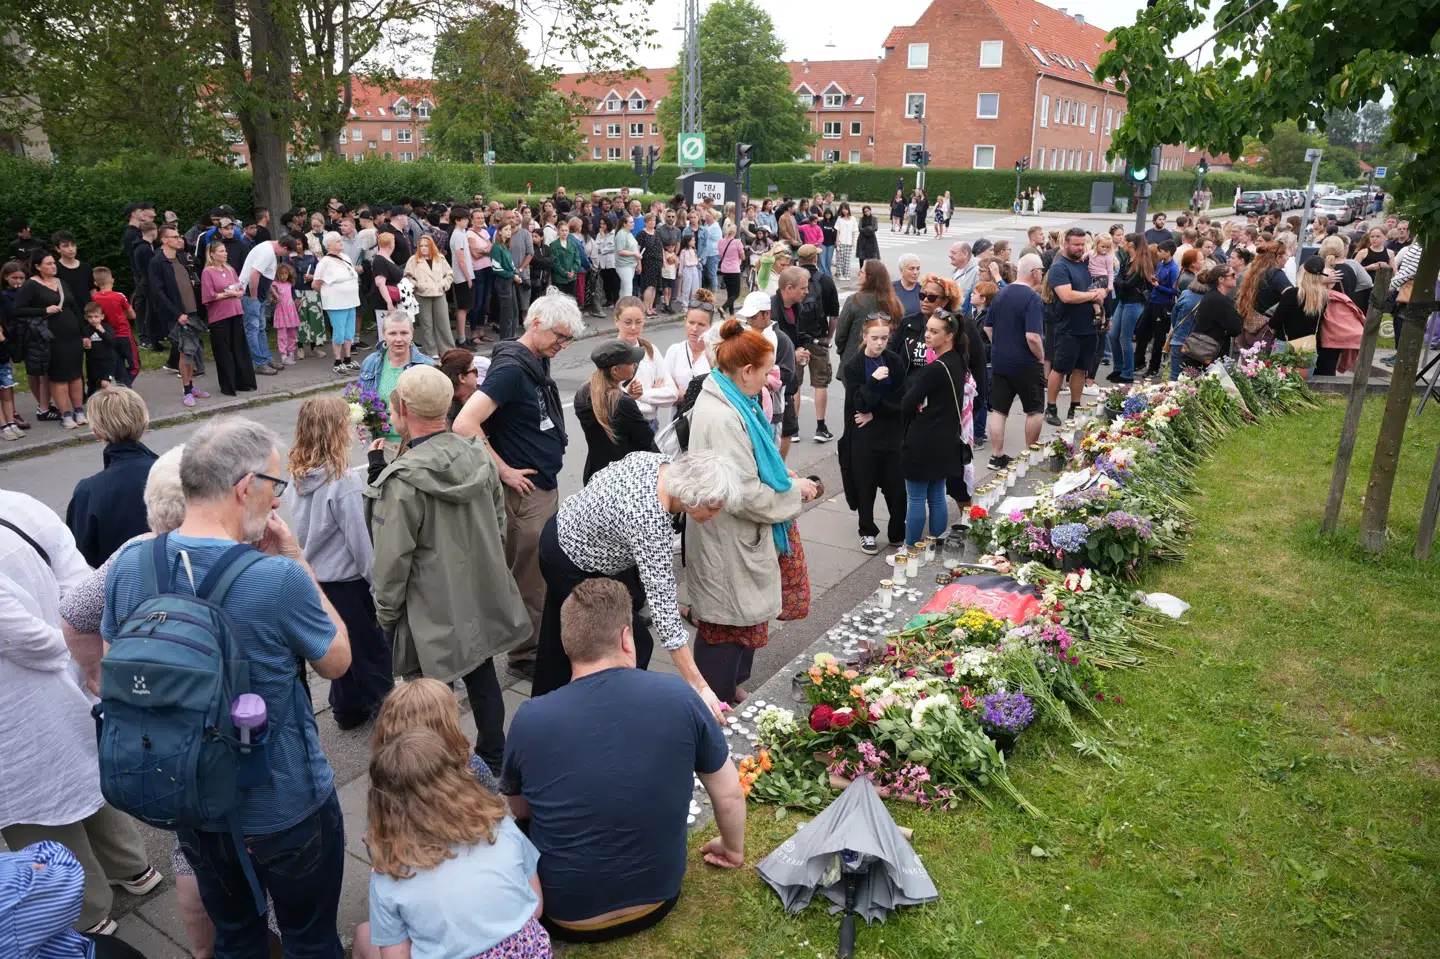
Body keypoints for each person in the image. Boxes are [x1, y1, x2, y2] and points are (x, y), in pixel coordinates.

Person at [102, 417, 353, 953]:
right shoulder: (275, 577)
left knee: (236, 938)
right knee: (310, 939)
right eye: (275, 485)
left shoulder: (129, 567)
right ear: (245, 488)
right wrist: (297, 560)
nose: (278, 500)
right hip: (286, 803)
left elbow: (111, 672)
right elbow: (337, 661)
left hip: (190, 797)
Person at [502, 578, 747, 944]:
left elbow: (521, 810)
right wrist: (732, 849)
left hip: (567, 914)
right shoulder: (679, 696)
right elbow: (729, 795)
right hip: (659, 897)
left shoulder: (530, 718)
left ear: (566, 645)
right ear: (626, 639)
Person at [2, 488, 163, 937]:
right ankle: (132, 866)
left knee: (37, 811)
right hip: (70, 676)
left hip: (14, 710)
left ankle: (87, 909)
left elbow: (24, 638)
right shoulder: (21, 505)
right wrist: (79, 649)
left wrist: (63, 648)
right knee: (88, 772)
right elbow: (81, 584)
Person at [367, 365, 530, 776]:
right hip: (477, 590)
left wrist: (385, 616)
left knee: (428, 697)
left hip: (429, 608)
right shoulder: (477, 454)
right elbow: (498, 526)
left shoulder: (402, 481)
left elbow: (391, 563)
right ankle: (494, 757)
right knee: (481, 671)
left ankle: (438, 772)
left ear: (404, 410)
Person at [533, 448, 739, 709]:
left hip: (562, 532)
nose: (715, 516)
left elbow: (600, 477)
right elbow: (665, 613)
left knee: (557, 636)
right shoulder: (649, 518)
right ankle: (607, 713)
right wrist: (700, 686)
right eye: (713, 508)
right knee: (633, 645)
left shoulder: (661, 464)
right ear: (692, 496)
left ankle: (542, 707)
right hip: (569, 561)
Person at [685, 319, 817, 703]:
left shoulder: (732, 399)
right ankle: (715, 706)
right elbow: (743, 494)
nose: (771, 378)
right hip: (728, 539)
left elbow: (754, 465)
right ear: (746, 371)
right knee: (725, 628)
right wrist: (795, 493)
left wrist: (782, 478)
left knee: (739, 623)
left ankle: (728, 690)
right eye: (766, 371)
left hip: (734, 538)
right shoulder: (723, 416)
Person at [453, 293, 584, 679]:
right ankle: (526, 654)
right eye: (560, 336)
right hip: (525, 494)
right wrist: (504, 470)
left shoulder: (535, 357)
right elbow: (464, 424)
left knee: (539, 572)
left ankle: (536, 644)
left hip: (541, 485)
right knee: (530, 577)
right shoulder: (512, 369)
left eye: (568, 340)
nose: (563, 345)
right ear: (537, 324)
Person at [353, 728, 549, 959]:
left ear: (382, 803)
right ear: (457, 776)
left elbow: (396, 956)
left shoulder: (390, 873)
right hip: (530, 952)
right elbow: (536, 906)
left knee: (363, 934)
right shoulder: (498, 824)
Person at [286, 395, 390, 731]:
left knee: (338, 646)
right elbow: (360, 544)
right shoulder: (343, 482)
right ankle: (389, 715)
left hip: (318, 579)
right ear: (337, 430)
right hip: (349, 583)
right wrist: (377, 587)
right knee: (371, 651)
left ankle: (346, 709)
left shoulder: (297, 476)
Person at [64, 387, 156, 566]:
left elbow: (80, 553)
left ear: (96, 432)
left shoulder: (89, 491)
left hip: (120, 578)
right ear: (144, 421)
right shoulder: (173, 471)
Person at [900, 308, 969, 546]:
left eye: (934, 331)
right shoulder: (958, 360)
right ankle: (937, 546)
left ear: (949, 336)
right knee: (937, 496)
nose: (927, 335)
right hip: (946, 439)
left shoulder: (934, 369)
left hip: (923, 440)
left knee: (916, 499)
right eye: (927, 330)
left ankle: (911, 549)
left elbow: (907, 404)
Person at [839, 316, 907, 553]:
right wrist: (874, 382)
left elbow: (901, 401)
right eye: (875, 338)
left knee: (896, 488)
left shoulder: (895, 362)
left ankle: (897, 532)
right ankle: (866, 531)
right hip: (863, 437)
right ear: (865, 337)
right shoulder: (853, 366)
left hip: (890, 434)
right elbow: (858, 403)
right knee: (864, 486)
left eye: (884, 338)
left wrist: (875, 413)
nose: (879, 343)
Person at [984, 254, 1047, 469]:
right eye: (1041, 270)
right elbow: (1033, 336)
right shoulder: (1032, 298)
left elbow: (988, 327)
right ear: (1034, 272)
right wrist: (1040, 356)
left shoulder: (1001, 293)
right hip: (1026, 363)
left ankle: (997, 456)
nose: (1042, 274)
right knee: (1034, 409)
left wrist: (1000, 346)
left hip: (1001, 361)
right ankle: (1030, 454)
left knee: (999, 410)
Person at [16, 250, 87, 428]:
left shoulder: (62, 283)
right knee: (59, 376)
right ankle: (66, 414)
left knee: (76, 374)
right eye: (48, 264)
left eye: (54, 263)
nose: (53, 266)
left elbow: (75, 308)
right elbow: (18, 310)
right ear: (38, 266)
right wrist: (44, 310)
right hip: (50, 338)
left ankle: (79, 410)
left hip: (72, 335)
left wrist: (83, 333)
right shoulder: (31, 285)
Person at [1045, 228, 1107, 425]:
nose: (1081, 248)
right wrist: (1093, 295)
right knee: (1060, 369)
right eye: (1076, 244)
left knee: (1081, 369)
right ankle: (1051, 408)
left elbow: (1103, 283)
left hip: (1089, 327)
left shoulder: (1088, 264)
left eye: (1083, 244)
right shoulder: (1059, 268)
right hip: (1068, 329)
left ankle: (1075, 407)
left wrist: (1102, 296)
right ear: (1066, 244)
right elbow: (1067, 296)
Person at [574, 339, 657, 483]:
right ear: (615, 370)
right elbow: (647, 441)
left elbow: (611, 416)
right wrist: (629, 400)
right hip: (623, 477)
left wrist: (627, 397)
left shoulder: (584, 393)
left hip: (595, 474)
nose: (635, 364)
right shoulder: (622, 403)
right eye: (631, 362)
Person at [359, 310, 437, 448]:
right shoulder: (370, 362)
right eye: (392, 333)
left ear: (412, 333)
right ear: (384, 334)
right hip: (381, 445)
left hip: (417, 445)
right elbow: (361, 401)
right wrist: (361, 424)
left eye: (404, 333)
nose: (399, 339)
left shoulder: (428, 366)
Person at [199, 239, 257, 395]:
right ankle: (228, 385)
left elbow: (240, 289)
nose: (225, 253)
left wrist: (234, 293)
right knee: (224, 352)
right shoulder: (207, 272)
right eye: (221, 251)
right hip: (219, 316)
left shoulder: (230, 270)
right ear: (212, 254)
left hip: (235, 312)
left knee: (239, 349)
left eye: (225, 250)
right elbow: (208, 296)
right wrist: (227, 294)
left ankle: (244, 382)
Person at [795, 245, 840, 442]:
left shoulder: (793, 280)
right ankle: (820, 428)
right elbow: (834, 315)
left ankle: (794, 428)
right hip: (818, 338)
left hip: (797, 339)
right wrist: (828, 337)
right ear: (815, 259)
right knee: (820, 383)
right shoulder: (826, 280)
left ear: (799, 260)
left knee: (795, 383)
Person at [613, 296, 677, 432]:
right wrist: (655, 394)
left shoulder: (651, 350)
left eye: (638, 322)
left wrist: (641, 395)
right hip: (621, 426)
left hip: (650, 425)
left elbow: (672, 394)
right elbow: (612, 399)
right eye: (627, 322)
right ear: (617, 321)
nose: (633, 327)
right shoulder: (610, 353)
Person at [237, 234, 299, 376]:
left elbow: (266, 275)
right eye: (286, 253)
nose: (284, 256)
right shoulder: (267, 252)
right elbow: (254, 274)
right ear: (284, 248)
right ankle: (259, 363)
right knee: (253, 330)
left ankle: (266, 359)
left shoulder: (269, 250)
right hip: (250, 297)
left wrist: (272, 292)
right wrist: (253, 297)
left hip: (259, 297)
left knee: (261, 329)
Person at [311, 231, 362, 374]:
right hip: (336, 303)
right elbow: (315, 283)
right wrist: (329, 292)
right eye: (338, 241)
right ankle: (337, 361)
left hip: (351, 301)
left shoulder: (345, 257)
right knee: (339, 333)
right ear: (329, 245)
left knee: (349, 333)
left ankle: (348, 359)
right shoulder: (324, 262)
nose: (341, 243)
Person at [1107, 233, 1155, 384]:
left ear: (1131, 244)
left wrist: (1119, 280)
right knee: (1113, 335)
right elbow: (1121, 280)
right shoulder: (1128, 259)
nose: (1122, 244)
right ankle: (1119, 368)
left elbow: (1126, 283)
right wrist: (1120, 280)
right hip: (1123, 301)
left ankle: (1127, 373)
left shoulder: (1140, 262)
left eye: (1125, 241)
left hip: (1134, 302)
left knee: (1125, 338)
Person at [836, 260, 903, 364]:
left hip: (854, 359)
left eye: (862, 272)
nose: (859, 274)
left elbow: (840, 335)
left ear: (870, 277)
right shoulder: (895, 303)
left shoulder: (855, 300)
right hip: (883, 360)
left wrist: (844, 353)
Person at [403, 234, 455, 357]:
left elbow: (449, 273)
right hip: (422, 294)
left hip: (439, 293)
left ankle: (447, 350)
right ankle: (432, 351)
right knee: (427, 324)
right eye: (421, 246)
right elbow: (407, 276)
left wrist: (444, 284)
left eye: (426, 245)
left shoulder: (440, 258)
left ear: (431, 246)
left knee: (443, 322)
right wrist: (417, 285)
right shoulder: (413, 260)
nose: (423, 248)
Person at [1135, 240, 1179, 378]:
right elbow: (1157, 281)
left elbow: (1174, 291)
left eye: (1160, 251)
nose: (1158, 253)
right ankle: (1139, 362)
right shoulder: (1160, 265)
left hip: (1163, 306)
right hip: (1152, 302)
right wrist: (1154, 280)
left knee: (1158, 338)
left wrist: (1158, 286)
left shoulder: (1173, 268)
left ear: (1168, 252)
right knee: (1141, 331)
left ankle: (1154, 368)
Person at [89, 267, 139, 388]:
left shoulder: (95, 298)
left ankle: (122, 382)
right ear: (112, 280)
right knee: (135, 364)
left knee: (118, 363)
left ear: (96, 283)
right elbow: (132, 315)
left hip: (107, 335)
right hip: (124, 334)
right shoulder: (119, 296)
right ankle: (125, 384)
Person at [268, 262, 302, 367]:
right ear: (277, 274)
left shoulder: (289, 284)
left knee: (292, 333)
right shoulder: (275, 284)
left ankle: (291, 352)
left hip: (291, 311)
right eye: (281, 274)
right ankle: (283, 355)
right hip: (281, 312)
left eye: (286, 274)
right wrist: (274, 297)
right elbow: (271, 295)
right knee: (282, 334)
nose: (284, 276)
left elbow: (291, 296)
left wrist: (296, 301)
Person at [614, 214, 640, 299]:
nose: (633, 224)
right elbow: (620, 251)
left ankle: (621, 306)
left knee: (624, 289)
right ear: (624, 224)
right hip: (624, 265)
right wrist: (634, 254)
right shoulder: (621, 234)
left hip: (631, 264)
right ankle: (627, 306)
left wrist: (637, 260)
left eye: (633, 222)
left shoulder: (628, 233)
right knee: (628, 290)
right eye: (631, 222)